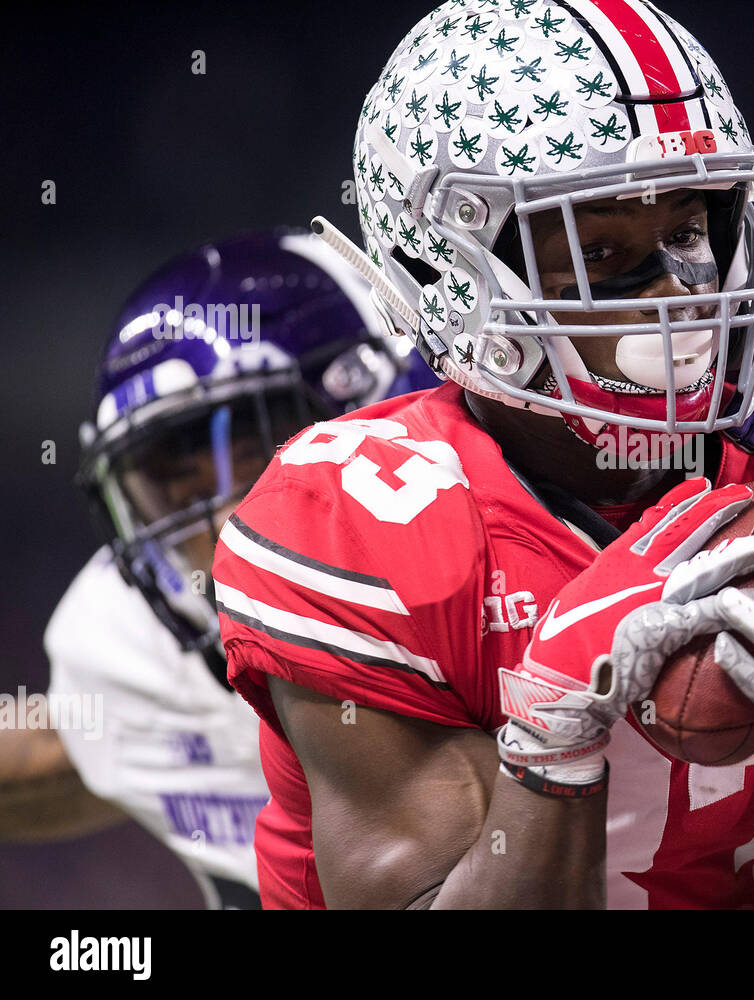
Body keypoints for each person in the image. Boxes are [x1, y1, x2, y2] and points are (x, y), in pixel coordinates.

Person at [214, 0, 754, 909]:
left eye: (686, 231)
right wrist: (553, 732)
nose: (679, 292)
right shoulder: (362, 521)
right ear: (449, 279)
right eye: (600, 249)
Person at [0, 229, 437, 908]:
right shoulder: (136, 642)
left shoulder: (506, 575)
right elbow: (59, 756)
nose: (224, 531)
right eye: (174, 486)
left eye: (262, 456)